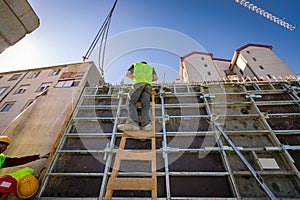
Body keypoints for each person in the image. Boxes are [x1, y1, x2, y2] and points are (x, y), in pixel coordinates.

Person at [118, 61, 158, 131]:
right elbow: (155, 78)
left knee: (130, 102)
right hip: (148, 86)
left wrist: (134, 78)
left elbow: (128, 74)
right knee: (146, 105)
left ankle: (133, 124)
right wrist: (147, 79)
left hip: (138, 84)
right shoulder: (150, 68)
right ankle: (147, 124)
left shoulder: (136, 65)